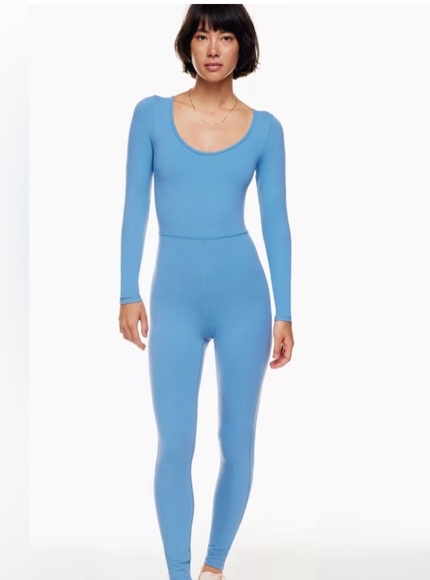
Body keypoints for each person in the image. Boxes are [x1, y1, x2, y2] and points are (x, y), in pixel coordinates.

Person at [118, 5, 294, 580]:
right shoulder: (150, 115)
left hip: (246, 299)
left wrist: (285, 311)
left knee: (236, 441)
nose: (212, 48)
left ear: (243, 47)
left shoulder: (265, 129)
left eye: (225, 36)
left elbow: (275, 222)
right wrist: (127, 289)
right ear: (187, 45)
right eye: (201, 35)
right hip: (173, 300)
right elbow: (134, 207)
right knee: (175, 443)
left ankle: (213, 568)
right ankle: (177, 574)